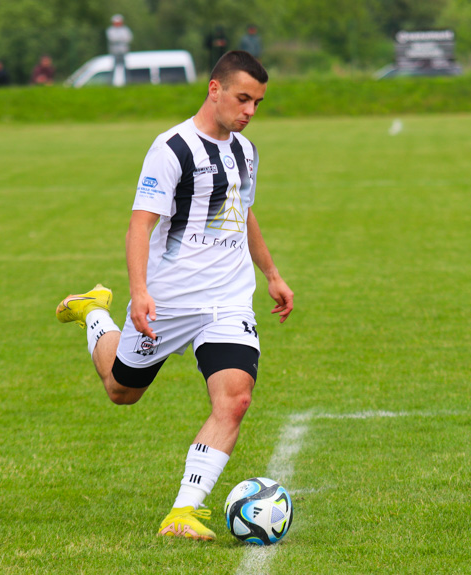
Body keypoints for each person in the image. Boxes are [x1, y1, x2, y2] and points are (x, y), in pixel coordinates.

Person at [55, 50, 294, 541]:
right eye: (243, 98)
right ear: (215, 89)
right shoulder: (171, 149)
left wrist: (271, 272)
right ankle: (95, 314)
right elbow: (140, 224)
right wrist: (139, 292)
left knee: (236, 399)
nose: (250, 111)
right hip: (168, 301)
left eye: (258, 103)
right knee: (122, 390)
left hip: (227, 302)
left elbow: (241, 212)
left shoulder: (245, 152)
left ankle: (183, 512)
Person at [106, 14, 133, 86]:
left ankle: (128, 82)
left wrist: (119, 39)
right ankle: (110, 83)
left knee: (125, 68)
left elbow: (128, 38)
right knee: (113, 68)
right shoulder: (110, 30)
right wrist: (121, 39)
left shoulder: (125, 29)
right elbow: (112, 39)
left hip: (123, 51)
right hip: (114, 52)